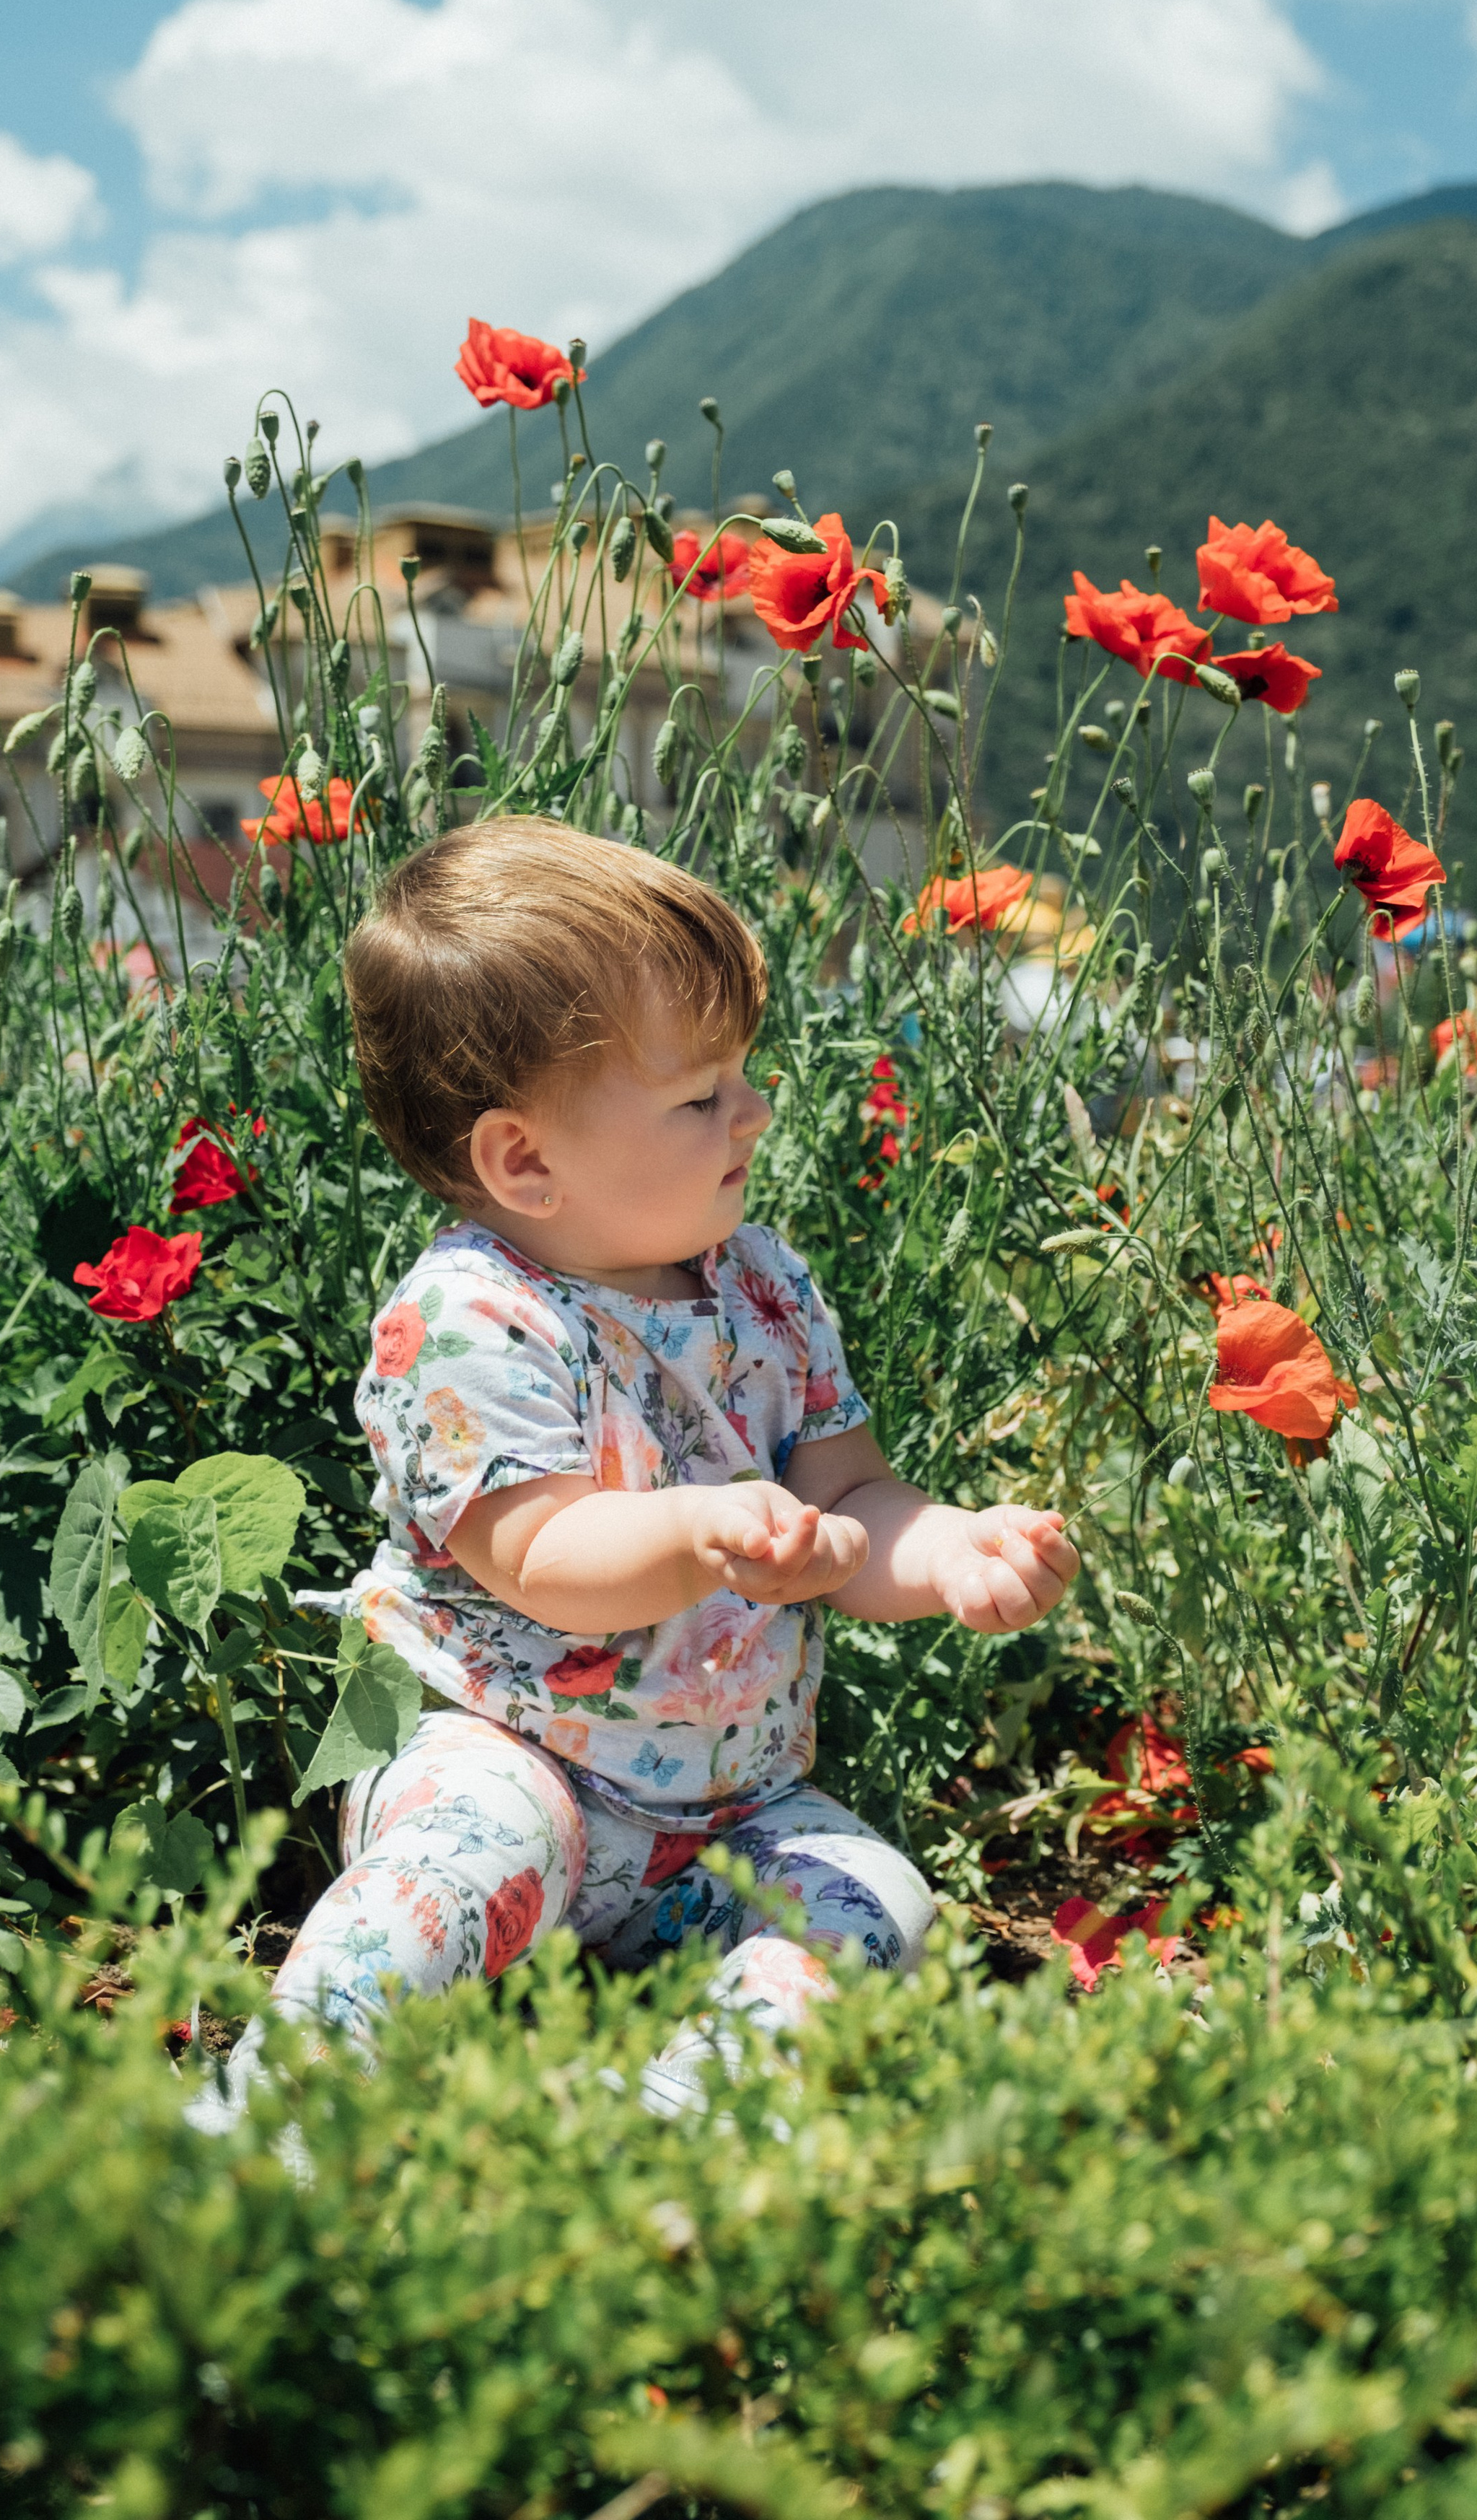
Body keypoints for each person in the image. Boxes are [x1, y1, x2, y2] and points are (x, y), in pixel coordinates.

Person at [268, 816, 1077, 2113]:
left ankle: (678, 2121)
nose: (752, 1108)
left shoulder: (763, 1287)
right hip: (507, 1753)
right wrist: (702, 1532)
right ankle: (288, 2102)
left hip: (729, 1810)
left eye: (740, 1074)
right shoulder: (471, 1322)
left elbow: (851, 1499)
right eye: (701, 1095)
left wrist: (947, 1549)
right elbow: (539, 1560)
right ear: (523, 1160)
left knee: (878, 1908)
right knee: (460, 1870)